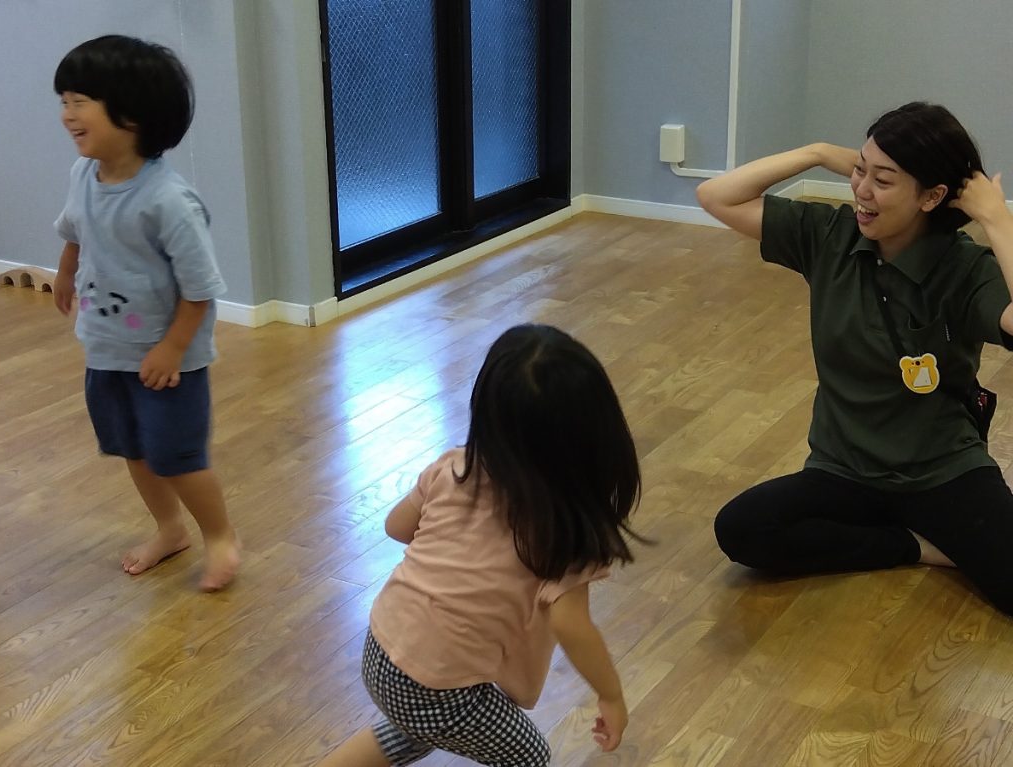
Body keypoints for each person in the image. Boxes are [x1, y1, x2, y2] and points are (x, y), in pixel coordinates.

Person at [695, 101, 1013, 614]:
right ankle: (915, 546)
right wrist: (818, 152)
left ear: (932, 196)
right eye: (859, 169)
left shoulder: (964, 267)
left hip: (941, 470)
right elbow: (715, 196)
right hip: (844, 468)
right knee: (743, 529)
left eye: (883, 180)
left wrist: (996, 216)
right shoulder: (830, 236)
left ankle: (927, 532)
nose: (862, 190)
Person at [320, 324, 643, 767]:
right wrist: (612, 695)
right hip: (433, 684)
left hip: (382, 649)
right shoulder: (563, 530)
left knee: (413, 731)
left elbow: (397, 526)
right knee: (527, 757)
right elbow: (571, 625)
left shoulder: (454, 468)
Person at [52, 35, 240, 592]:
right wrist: (64, 272)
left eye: (80, 101)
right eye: (64, 101)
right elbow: (75, 230)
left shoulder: (168, 202)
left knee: (177, 456)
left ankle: (221, 537)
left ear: (131, 115)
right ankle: (169, 528)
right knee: (133, 451)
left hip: (167, 362)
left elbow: (200, 289)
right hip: (106, 349)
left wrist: (173, 348)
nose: (67, 114)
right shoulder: (83, 175)